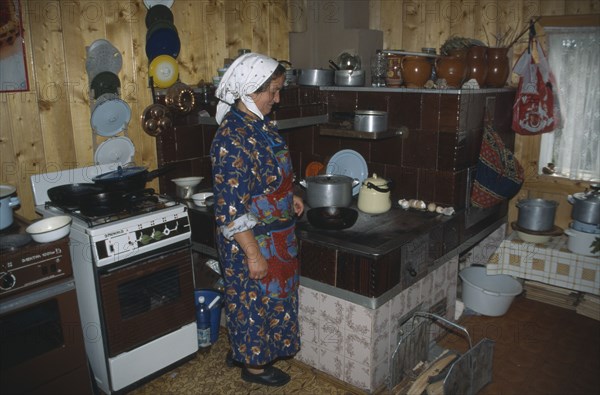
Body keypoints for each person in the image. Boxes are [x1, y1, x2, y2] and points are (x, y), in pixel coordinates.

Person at [209, 52, 304, 387]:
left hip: (275, 235)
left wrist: (285, 196)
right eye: (273, 92)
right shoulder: (231, 138)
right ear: (250, 89)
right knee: (252, 304)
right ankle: (253, 368)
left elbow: (262, 177)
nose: (276, 100)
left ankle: (245, 349)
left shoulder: (257, 125)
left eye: (278, 91)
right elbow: (230, 209)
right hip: (250, 240)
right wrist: (252, 254)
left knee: (264, 302)